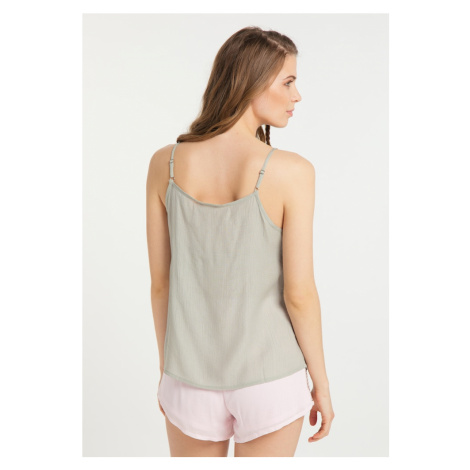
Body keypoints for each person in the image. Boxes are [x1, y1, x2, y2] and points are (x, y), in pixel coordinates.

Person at [146, 26, 334, 457]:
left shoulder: (164, 164)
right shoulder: (292, 171)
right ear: (252, 81)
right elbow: (299, 294)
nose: (297, 95)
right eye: (288, 82)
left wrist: (168, 370)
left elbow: (161, 284)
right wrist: (320, 383)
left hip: (188, 377)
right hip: (271, 380)